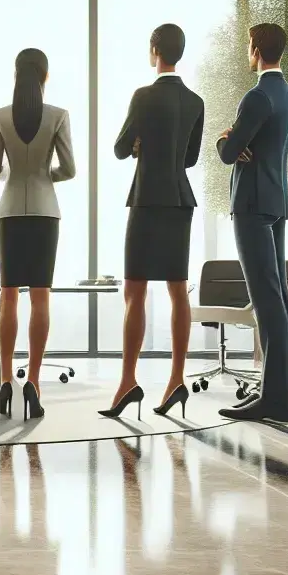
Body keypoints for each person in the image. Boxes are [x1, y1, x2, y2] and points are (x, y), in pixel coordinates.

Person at [101, 23, 205, 421]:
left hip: (146, 200)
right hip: (180, 200)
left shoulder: (143, 96)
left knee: (135, 292)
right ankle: (177, 378)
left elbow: (119, 147)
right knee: (178, 291)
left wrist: (138, 144)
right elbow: (191, 158)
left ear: (154, 50)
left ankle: (128, 381)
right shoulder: (195, 101)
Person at [216, 22, 288, 422]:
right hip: (277, 201)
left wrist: (223, 139)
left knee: (267, 303)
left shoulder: (257, 96)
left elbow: (230, 152)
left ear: (255, 48)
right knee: (278, 299)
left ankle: (274, 400)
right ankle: (278, 394)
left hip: (251, 205)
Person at [0, 48, 75, 421]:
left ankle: (6, 378)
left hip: (10, 212)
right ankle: (34, 383)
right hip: (44, 213)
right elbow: (68, 169)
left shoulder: (0, 116)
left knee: (9, 296)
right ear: (45, 75)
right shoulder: (58, 116)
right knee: (40, 298)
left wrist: (17, 177)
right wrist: (42, 178)